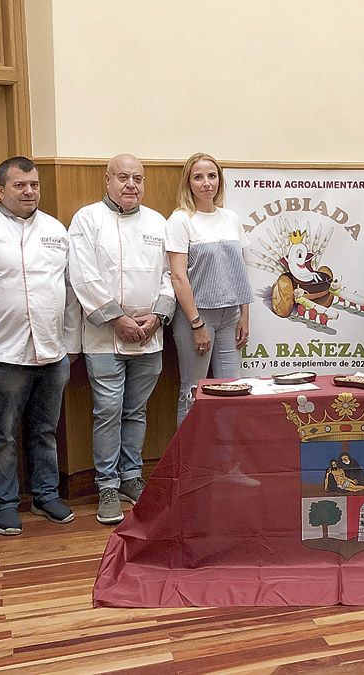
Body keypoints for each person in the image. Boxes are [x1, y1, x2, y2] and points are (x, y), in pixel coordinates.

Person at [0, 157, 81, 535]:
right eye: (20, 185)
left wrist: (70, 342)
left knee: (44, 430)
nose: (29, 191)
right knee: (2, 435)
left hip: (53, 351)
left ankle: (45, 494)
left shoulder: (55, 230)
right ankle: (5, 503)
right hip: (4, 352)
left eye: (34, 184)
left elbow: (69, 292)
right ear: (0, 189)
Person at [68, 153, 176, 525]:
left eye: (138, 179)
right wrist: (116, 318)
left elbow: (171, 275)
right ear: (107, 179)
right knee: (108, 411)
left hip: (149, 334)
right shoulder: (87, 219)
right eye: (124, 177)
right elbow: (82, 276)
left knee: (136, 410)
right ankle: (107, 485)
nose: (132, 185)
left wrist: (159, 314)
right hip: (104, 336)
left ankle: (131, 477)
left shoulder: (158, 222)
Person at [166, 153, 252, 424]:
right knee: (193, 392)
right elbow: (178, 277)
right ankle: (188, 464)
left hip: (230, 317)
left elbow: (241, 271)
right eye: (198, 177)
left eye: (212, 176)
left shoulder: (231, 218)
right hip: (197, 317)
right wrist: (196, 323)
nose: (206, 183)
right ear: (188, 183)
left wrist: (244, 316)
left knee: (232, 392)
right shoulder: (181, 220)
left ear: (220, 181)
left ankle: (225, 462)